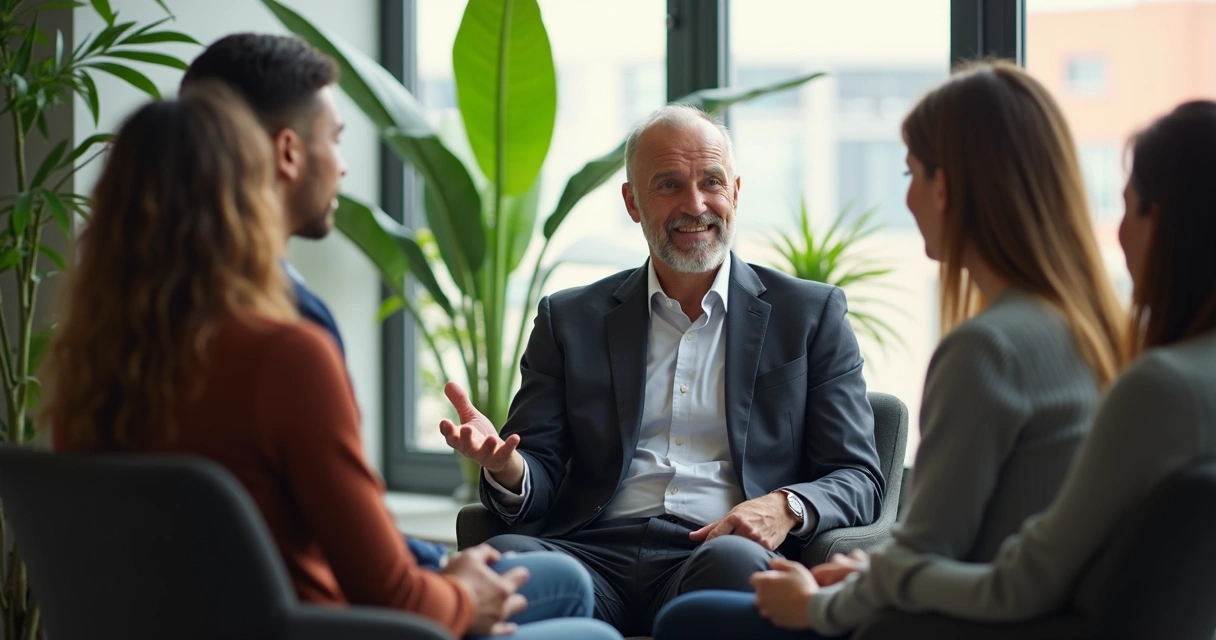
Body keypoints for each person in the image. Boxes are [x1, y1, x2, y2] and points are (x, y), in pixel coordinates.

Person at [42, 85, 621, 640]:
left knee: (563, 579)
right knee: (584, 624)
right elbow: (388, 591)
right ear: (245, 201)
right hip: (318, 626)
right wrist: (467, 596)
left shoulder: (85, 370)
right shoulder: (284, 355)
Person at [651, 59, 1130, 640]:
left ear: (944, 187)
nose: (906, 198)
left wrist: (819, 603)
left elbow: (928, 552)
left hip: (975, 623)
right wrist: (870, 572)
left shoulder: (988, 350)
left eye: (909, 174)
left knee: (687, 620)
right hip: (1050, 616)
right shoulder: (1104, 332)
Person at [439, 104, 885, 636]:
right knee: (506, 562)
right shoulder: (570, 318)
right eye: (669, 184)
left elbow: (858, 475)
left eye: (711, 182)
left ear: (736, 192)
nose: (695, 205)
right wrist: (506, 469)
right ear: (632, 201)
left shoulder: (809, 315)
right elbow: (539, 467)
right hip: (589, 549)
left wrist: (784, 505)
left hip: (713, 547)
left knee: (736, 566)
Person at [178, 32, 451, 571]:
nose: (344, 167)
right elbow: (355, 553)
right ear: (288, 152)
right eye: (336, 138)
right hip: (331, 610)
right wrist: (448, 572)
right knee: (563, 582)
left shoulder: (120, 325)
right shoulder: (288, 331)